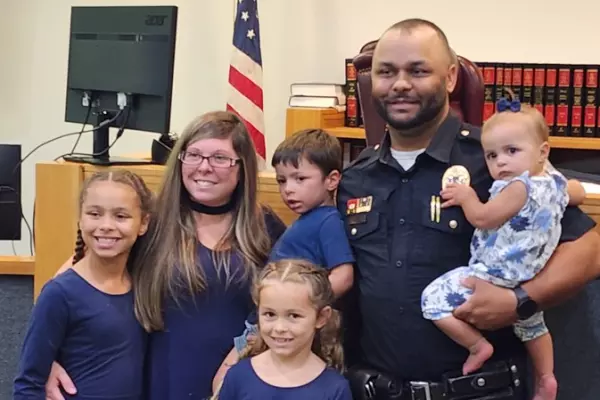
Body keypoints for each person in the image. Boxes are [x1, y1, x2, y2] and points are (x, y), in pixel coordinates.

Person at [337, 18, 600, 400]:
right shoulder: (356, 177)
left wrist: (520, 301)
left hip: (479, 391)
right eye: (386, 72)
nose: (400, 84)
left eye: (418, 70)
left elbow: (590, 249)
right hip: (377, 389)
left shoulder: (496, 161)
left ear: (449, 78)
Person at [44, 111, 287, 400]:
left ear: (242, 167)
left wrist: (239, 355)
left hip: (234, 379)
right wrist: (47, 360)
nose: (204, 167)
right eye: (194, 154)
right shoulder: (150, 221)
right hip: (158, 376)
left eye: (220, 158)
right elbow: (65, 288)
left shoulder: (263, 225)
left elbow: (292, 300)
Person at [421, 101, 586, 400]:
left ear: (543, 151)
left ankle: (477, 346)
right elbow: (579, 193)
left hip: (494, 273)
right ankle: (546, 378)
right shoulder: (555, 183)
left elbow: (484, 218)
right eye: (492, 155)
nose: (501, 163)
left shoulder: (518, 188)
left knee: (431, 301)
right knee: (533, 326)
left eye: (512, 151)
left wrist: (467, 196)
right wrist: (571, 189)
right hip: (528, 276)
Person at [14, 170, 153, 399]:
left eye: (121, 216)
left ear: (143, 223)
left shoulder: (144, 286)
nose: (106, 225)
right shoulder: (60, 294)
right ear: (80, 218)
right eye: (94, 214)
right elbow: (29, 383)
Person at [231, 128, 355, 355]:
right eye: (281, 180)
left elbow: (343, 276)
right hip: (264, 322)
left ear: (332, 180)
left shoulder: (328, 221)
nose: (288, 189)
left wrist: (300, 306)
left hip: (282, 327)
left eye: (300, 179)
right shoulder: (308, 219)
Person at [214, 259, 352, 400]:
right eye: (270, 314)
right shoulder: (238, 376)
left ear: (321, 317)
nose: (279, 328)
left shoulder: (334, 388)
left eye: (294, 316)